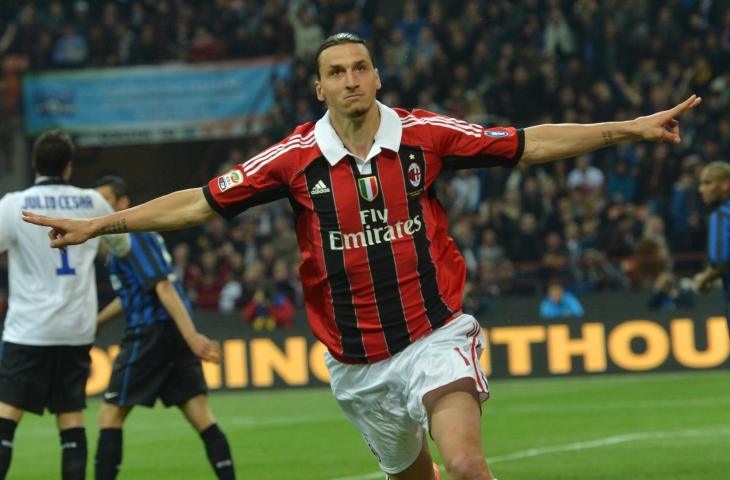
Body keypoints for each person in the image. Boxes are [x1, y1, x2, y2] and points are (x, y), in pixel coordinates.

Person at [22, 33, 701, 480]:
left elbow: (526, 141)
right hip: (356, 366)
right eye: (335, 73)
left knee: (466, 464)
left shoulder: (425, 134)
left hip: (436, 333)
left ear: (376, 75)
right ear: (319, 88)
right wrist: (104, 224)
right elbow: (201, 201)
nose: (351, 80)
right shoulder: (293, 158)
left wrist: (629, 129)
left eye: (359, 68)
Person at [0, 130, 130, 479]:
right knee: (71, 419)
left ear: (34, 163)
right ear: (69, 167)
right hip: (75, 330)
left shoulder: (13, 204)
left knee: (6, 416)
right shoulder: (93, 201)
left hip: (28, 329)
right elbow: (123, 248)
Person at [92, 176, 234, 480]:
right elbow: (135, 290)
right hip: (169, 330)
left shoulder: (134, 232)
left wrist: (192, 335)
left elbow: (163, 287)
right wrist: (99, 321)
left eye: (107, 200)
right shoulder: (123, 240)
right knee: (201, 416)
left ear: (123, 203)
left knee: (110, 415)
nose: (100, 206)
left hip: (151, 331)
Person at [694, 161, 730, 335]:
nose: (701, 189)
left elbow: (720, 263)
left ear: (725, 184)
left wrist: (703, 280)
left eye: (707, 183)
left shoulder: (722, 215)